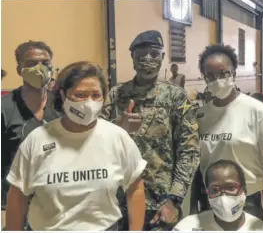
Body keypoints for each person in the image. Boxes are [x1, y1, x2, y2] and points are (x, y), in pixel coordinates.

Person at [5, 61, 147, 231]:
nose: (89, 102)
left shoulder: (117, 138)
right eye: (80, 94)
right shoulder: (37, 140)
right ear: (63, 96)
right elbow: (17, 196)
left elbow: (135, 188)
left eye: (96, 95)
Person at [101, 30, 200, 230]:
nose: (148, 59)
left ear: (163, 57)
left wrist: (175, 199)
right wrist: (118, 128)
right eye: (141, 54)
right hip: (119, 202)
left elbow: (188, 151)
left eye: (154, 54)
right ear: (132, 57)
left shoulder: (176, 97)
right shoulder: (116, 95)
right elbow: (97, 143)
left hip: (160, 204)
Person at [190, 44, 263, 223]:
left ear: (234, 74)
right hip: (212, 198)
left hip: (250, 198)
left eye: (223, 73)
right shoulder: (201, 115)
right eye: (210, 76)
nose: (217, 80)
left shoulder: (255, 110)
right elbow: (199, 162)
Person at [1, 41, 60, 223]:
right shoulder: (5, 108)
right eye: (31, 63)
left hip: (58, 203)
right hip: (14, 204)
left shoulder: (62, 106)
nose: (39, 68)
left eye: (45, 63)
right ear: (19, 70)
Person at [175, 160, 263, 231]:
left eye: (231, 188)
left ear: (245, 191)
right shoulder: (186, 227)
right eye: (215, 189)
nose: (223, 197)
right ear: (207, 192)